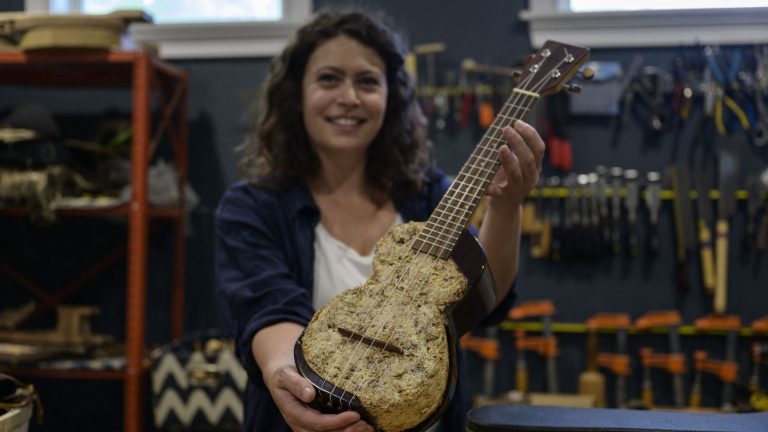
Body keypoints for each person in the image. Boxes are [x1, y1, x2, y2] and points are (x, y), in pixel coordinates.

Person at [215, 9, 544, 432]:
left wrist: (506, 205)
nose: (349, 97)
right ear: (297, 94)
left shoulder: (428, 195)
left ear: (392, 97)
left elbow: (480, 301)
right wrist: (291, 379)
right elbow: (266, 307)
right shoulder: (254, 207)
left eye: (367, 81)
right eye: (329, 78)